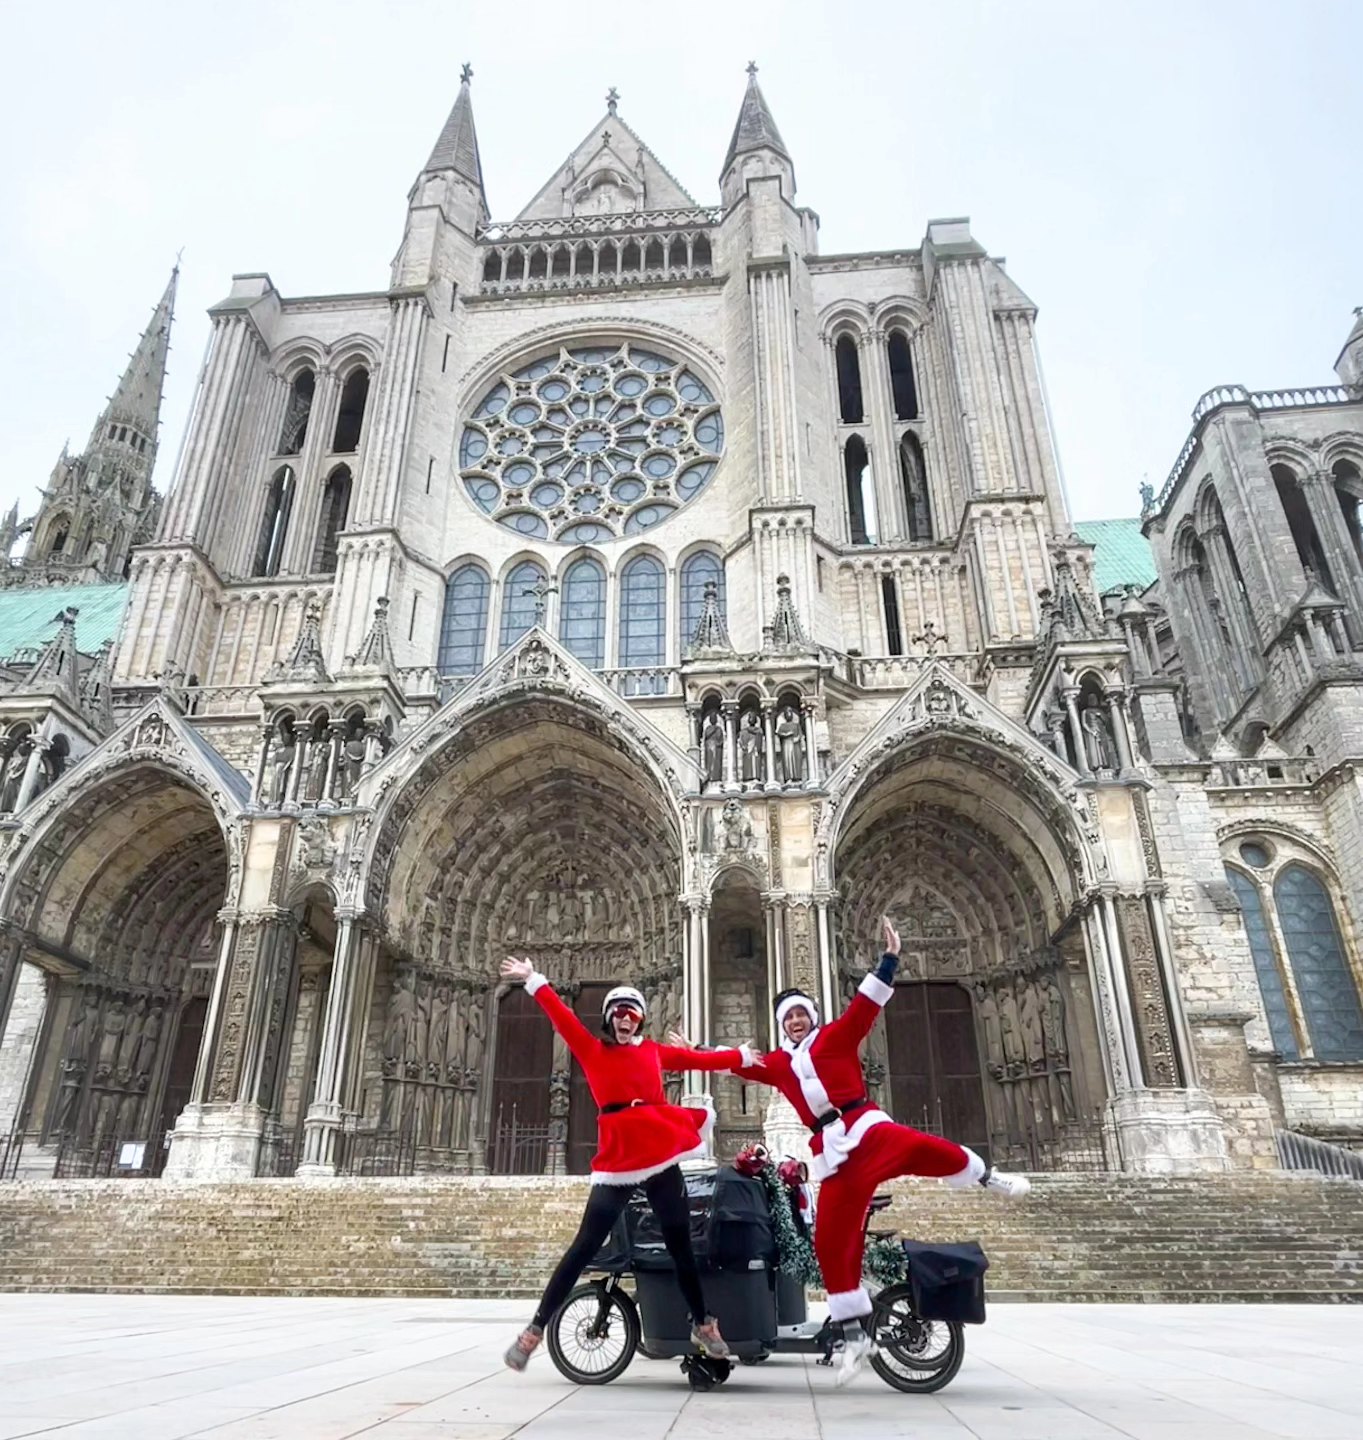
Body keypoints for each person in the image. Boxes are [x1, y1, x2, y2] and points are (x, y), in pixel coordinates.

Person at [682, 917, 1029, 1387]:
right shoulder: (782, 1063)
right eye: (788, 1019)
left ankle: (989, 1177)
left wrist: (889, 958)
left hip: (866, 1128)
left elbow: (866, 1007)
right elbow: (740, 1064)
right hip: (836, 1154)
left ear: (812, 1017)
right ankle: (852, 1334)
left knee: (926, 1148)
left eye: (801, 1015)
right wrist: (695, 1052)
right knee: (829, 1240)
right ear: (783, 1026)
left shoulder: (836, 1037)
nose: (796, 1022)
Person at [499, 956, 762, 1373]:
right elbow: (562, 1018)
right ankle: (533, 1330)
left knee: (680, 1245)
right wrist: (534, 980)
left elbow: (698, 1062)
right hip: (619, 1157)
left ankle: (703, 1323)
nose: (625, 1019)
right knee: (585, 1245)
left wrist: (739, 1057)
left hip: (658, 1151)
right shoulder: (592, 1050)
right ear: (609, 1019)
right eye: (619, 1013)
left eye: (632, 1014)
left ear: (640, 1021)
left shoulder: (655, 1052)